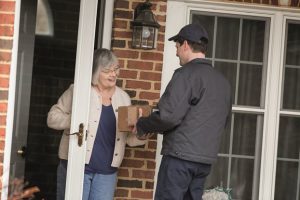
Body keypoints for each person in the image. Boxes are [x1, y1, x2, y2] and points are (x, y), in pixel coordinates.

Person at [135, 23, 232, 200]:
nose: (176, 52)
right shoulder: (223, 82)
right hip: (204, 162)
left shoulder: (186, 74)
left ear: (186, 44)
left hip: (179, 159)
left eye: (177, 47)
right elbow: (224, 121)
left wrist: (142, 124)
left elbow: (168, 116)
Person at [47, 48, 147, 200]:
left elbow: (126, 138)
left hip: (107, 173)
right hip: (76, 167)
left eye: (116, 69)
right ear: (95, 72)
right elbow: (52, 118)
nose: (113, 74)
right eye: (107, 71)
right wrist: (76, 120)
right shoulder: (78, 90)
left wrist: (142, 132)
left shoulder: (123, 98)